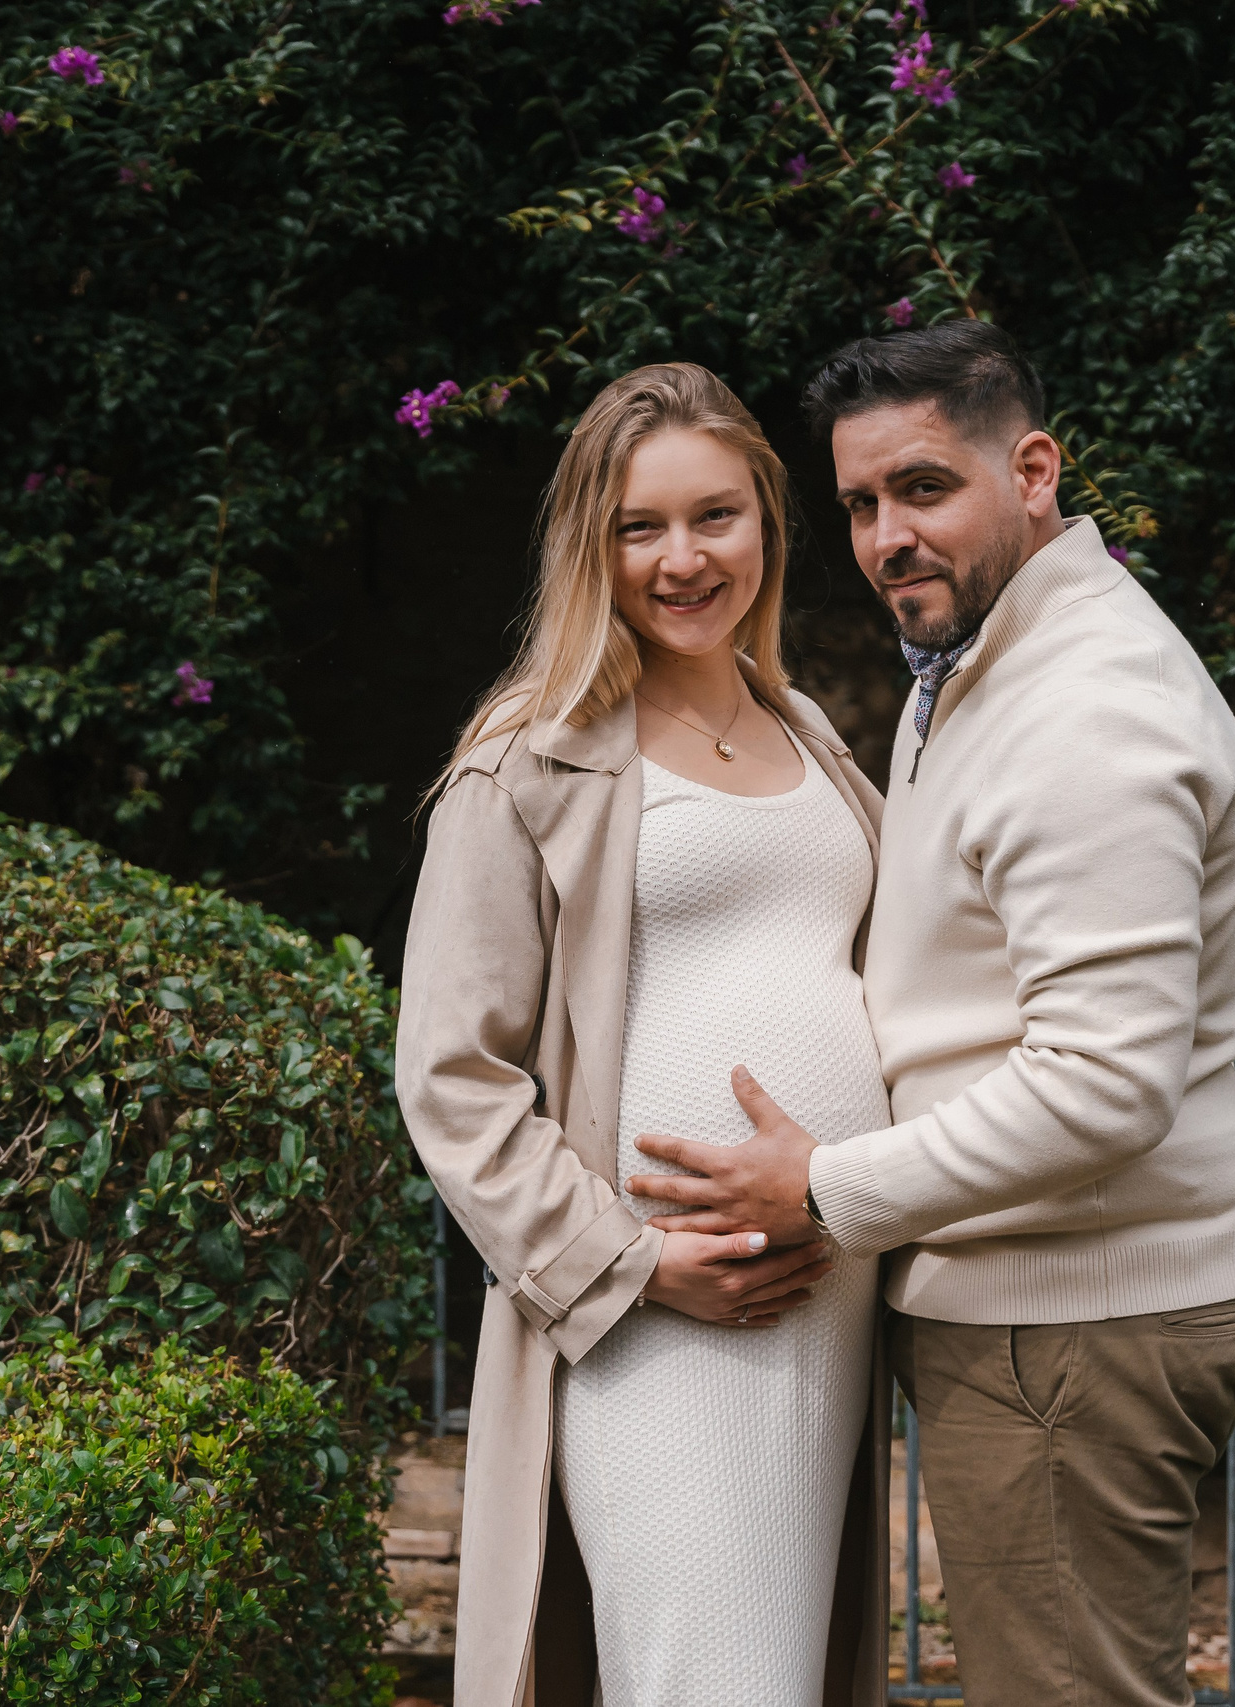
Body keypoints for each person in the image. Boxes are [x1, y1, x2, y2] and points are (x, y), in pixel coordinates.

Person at [625, 321, 1235, 1706]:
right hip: (1054, 1306)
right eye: (862, 503)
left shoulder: (1083, 718)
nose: (887, 537)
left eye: (925, 488)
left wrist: (824, 1185)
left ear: (1034, 469)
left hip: (1075, 1326)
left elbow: (1103, 1086)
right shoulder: (987, 656)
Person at [396, 362, 891, 1707]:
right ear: (589, 547)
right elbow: (452, 1074)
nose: (683, 559)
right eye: (639, 527)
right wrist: (630, 1263)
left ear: (769, 525)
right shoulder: (531, 756)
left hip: (822, 1302)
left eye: (715, 516)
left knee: (777, 1676)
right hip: (656, 1321)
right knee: (700, 1678)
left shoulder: (810, 729)